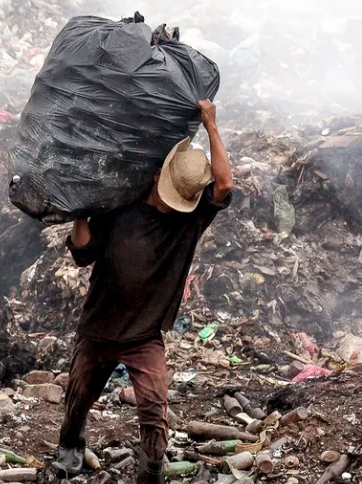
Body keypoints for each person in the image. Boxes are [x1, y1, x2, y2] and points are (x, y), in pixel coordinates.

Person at [51, 100, 234, 483]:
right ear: (157, 177)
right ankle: (70, 446)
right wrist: (80, 213)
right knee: (78, 395)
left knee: (154, 407)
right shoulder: (119, 206)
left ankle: (149, 472)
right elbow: (83, 254)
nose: (172, 206)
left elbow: (224, 184)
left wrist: (211, 125)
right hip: (97, 327)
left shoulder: (191, 219)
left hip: (144, 337)